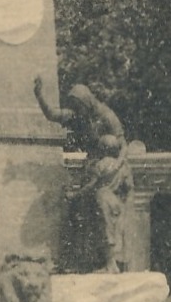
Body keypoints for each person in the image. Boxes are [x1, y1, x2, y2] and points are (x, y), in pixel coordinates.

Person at [34, 77, 133, 273]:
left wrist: (116, 163)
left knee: (96, 202)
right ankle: (77, 260)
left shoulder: (106, 115)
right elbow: (52, 114)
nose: (76, 110)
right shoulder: (79, 115)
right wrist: (39, 95)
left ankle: (108, 261)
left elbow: (123, 145)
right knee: (76, 207)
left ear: (86, 102)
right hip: (93, 167)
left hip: (110, 168)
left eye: (78, 105)